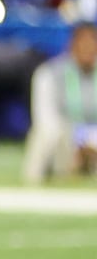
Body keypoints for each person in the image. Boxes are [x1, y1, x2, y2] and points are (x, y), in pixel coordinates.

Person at [23, 22, 97, 183]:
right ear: (72, 45)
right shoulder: (50, 73)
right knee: (46, 132)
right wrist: (78, 142)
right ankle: (33, 181)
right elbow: (45, 118)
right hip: (65, 140)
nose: (88, 48)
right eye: (83, 43)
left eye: (92, 43)